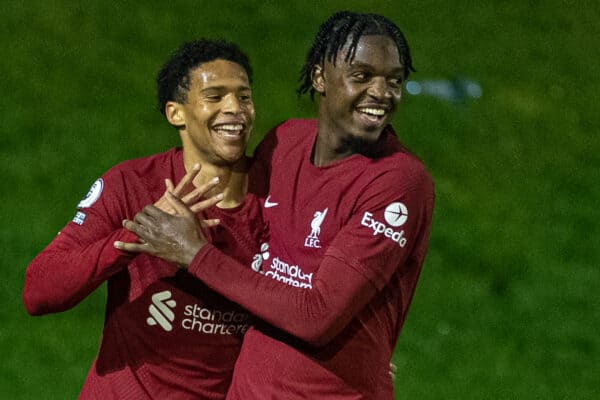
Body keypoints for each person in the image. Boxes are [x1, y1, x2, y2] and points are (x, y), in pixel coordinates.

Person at [118, 11, 435, 399]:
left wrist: (193, 253)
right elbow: (245, 246)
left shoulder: (397, 182)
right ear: (320, 77)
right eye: (362, 76)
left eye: (395, 81)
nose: (382, 93)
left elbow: (317, 315)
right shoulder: (284, 144)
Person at [23, 39, 266, 399]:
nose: (235, 108)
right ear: (176, 113)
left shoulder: (279, 199)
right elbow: (39, 291)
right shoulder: (132, 184)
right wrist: (140, 232)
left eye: (243, 97)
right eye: (214, 96)